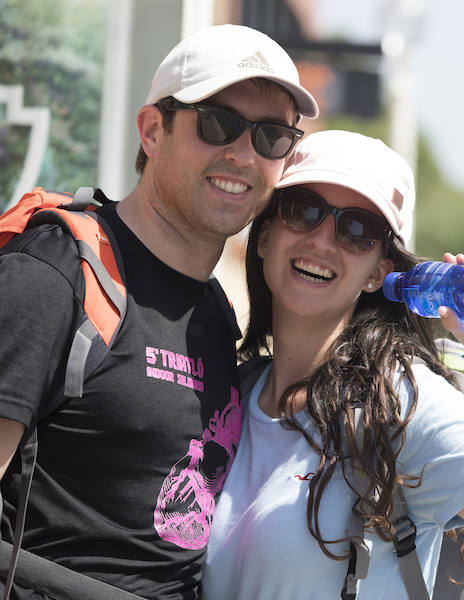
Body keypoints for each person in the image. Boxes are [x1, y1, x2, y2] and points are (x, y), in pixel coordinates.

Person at [201, 130, 464, 599]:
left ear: (379, 272)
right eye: (303, 210)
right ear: (265, 236)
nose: (324, 241)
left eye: (357, 230)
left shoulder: (399, 404)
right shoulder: (229, 393)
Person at [0, 24, 318, 599]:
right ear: (152, 130)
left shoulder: (217, 314)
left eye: (272, 137)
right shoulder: (58, 273)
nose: (243, 155)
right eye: (218, 124)